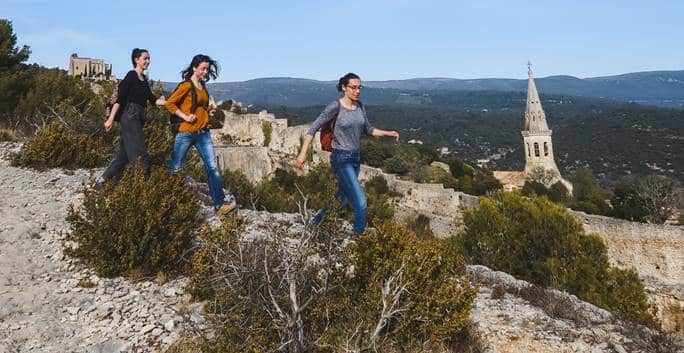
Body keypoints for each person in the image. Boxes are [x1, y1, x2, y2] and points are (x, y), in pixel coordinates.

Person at [295, 73, 399, 235]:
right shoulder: (335, 107)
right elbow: (312, 129)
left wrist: (388, 133)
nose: (357, 91)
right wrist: (302, 154)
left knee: (341, 198)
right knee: (361, 201)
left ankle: (315, 224)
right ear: (344, 87)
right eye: (353, 87)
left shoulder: (360, 106)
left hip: (356, 158)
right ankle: (358, 237)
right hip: (340, 158)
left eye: (359, 87)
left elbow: (368, 129)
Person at [165, 54, 235, 215]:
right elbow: (170, 103)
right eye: (203, 69)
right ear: (194, 67)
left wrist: (208, 112)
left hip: (203, 132)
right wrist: (185, 116)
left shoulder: (202, 85)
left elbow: (199, 106)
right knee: (175, 167)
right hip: (186, 132)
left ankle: (219, 205)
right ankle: (165, 199)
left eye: (207, 69)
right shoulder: (186, 85)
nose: (205, 72)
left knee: (212, 168)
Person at [97, 48, 165, 185]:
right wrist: (110, 119)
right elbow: (120, 99)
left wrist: (173, 103)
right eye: (145, 58)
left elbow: (153, 100)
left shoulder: (143, 80)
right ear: (136, 59)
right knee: (140, 154)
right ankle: (142, 188)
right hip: (130, 116)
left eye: (148, 59)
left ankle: (101, 181)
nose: (148, 61)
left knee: (123, 155)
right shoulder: (131, 76)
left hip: (138, 118)